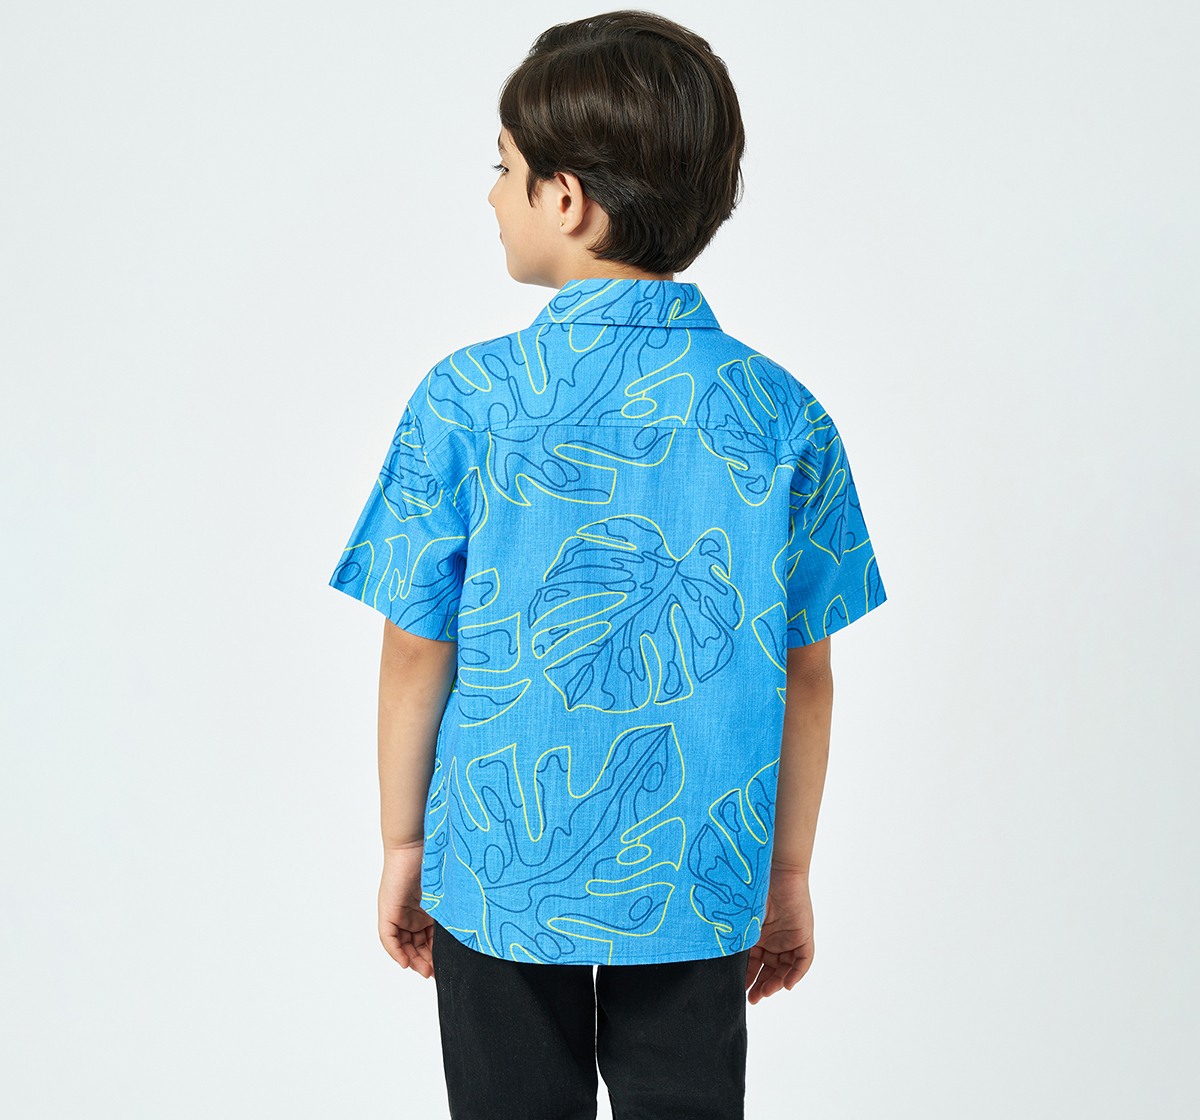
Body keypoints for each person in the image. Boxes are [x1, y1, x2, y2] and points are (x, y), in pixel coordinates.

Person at [327, 10, 888, 1119]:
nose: (493, 194)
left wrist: (404, 841)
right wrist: (784, 873)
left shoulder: (466, 400)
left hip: (496, 863)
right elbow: (807, 672)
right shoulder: (784, 414)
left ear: (567, 199)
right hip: (700, 865)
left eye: (505, 168)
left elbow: (415, 647)